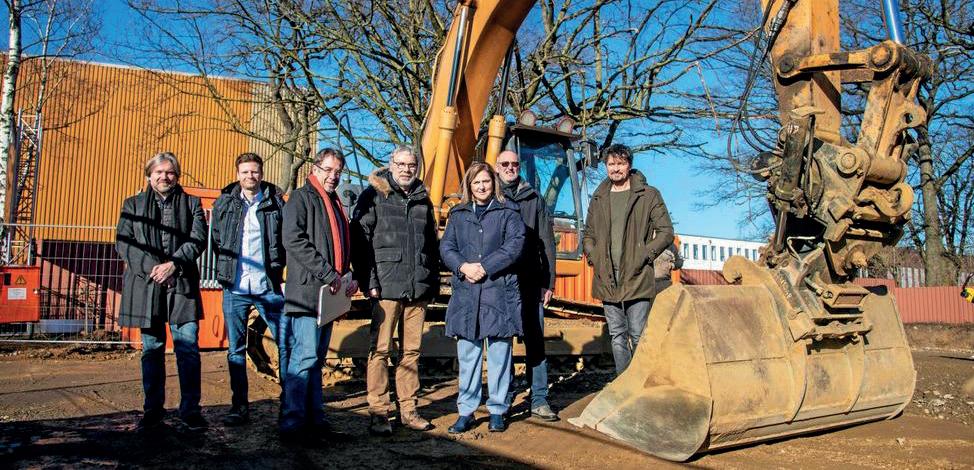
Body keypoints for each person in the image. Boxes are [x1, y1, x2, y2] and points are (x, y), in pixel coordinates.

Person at [115, 152, 208, 432]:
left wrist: (173, 265)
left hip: (182, 285)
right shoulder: (132, 204)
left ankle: (190, 410)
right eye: (159, 172)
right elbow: (124, 242)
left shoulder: (192, 203)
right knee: (152, 349)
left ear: (177, 176)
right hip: (147, 285)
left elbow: (198, 239)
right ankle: (153, 410)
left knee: (188, 349)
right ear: (149, 175)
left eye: (170, 172)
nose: (164, 177)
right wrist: (154, 270)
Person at [351, 147, 439, 435]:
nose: (405, 169)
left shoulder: (423, 200)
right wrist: (369, 281)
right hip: (386, 287)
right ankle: (379, 412)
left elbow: (431, 246)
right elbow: (360, 241)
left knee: (411, 352)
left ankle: (408, 410)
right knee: (380, 350)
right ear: (390, 165)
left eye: (411, 165)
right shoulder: (374, 195)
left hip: (417, 288)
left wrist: (430, 282)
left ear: (417, 167)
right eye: (400, 164)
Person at [440, 162, 525, 434]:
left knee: (499, 354)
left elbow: (514, 245)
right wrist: (463, 267)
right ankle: (466, 411)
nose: (481, 186)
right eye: (476, 182)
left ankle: (497, 410)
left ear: (493, 183)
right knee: (468, 355)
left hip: (497, 292)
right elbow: (447, 247)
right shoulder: (458, 214)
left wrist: (485, 267)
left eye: (486, 181)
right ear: (469, 185)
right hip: (467, 293)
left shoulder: (508, 212)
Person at [280, 147, 358, 442]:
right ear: (314, 169)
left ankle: (315, 421)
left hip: (328, 294)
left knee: (316, 360)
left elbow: (340, 246)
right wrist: (329, 274)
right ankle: (293, 423)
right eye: (328, 170)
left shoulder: (335, 203)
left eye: (338, 171)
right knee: (304, 358)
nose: (333, 176)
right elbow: (293, 240)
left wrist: (348, 276)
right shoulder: (301, 198)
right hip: (307, 294)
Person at [582, 144, 673, 376]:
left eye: (620, 164)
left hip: (637, 275)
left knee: (638, 333)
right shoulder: (599, 197)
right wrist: (594, 256)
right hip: (607, 276)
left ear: (629, 165)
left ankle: (641, 382)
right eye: (611, 164)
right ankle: (623, 382)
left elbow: (666, 232)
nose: (616, 169)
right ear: (606, 166)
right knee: (617, 335)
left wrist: (644, 255)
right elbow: (588, 234)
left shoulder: (648, 195)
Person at [210, 152, 287, 426]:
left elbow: (285, 239)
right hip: (236, 287)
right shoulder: (225, 203)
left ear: (261, 174)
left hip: (268, 286)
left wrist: (279, 270)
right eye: (245, 172)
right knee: (235, 350)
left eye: (254, 171)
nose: (250, 176)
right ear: (237, 174)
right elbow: (217, 239)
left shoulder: (276, 203)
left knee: (285, 343)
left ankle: (288, 403)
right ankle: (239, 407)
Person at [493, 150, 558, 421]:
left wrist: (548, 281)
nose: (510, 168)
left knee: (535, 341)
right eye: (505, 164)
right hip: (499, 281)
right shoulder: (491, 196)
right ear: (496, 167)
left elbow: (547, 241)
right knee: (502, 342)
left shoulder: (533, 198)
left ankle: (539, 398)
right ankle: (504, 399)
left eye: (514, 164)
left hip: (530, 280)